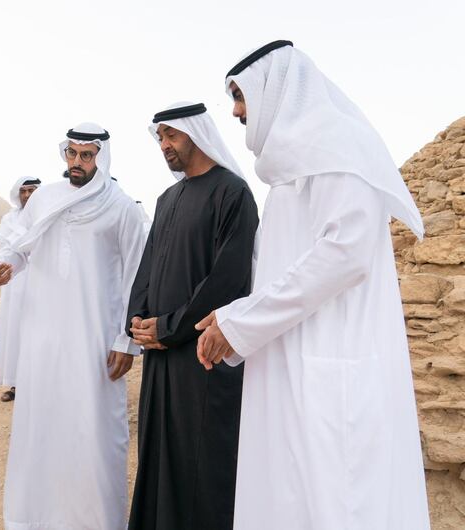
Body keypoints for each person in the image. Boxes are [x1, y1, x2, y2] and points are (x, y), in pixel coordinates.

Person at [195, 40, 431, 529]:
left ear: (276, 88)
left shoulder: (339, 148)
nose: (237, 112)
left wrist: (242, 322)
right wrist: (233, 316)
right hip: (289, 365)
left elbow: (343, 256)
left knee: (338, 504)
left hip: (332, 368)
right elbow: (280, 269)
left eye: (241, 96)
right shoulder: (288, 171)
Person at [0, 122, 147, 530]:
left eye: (85, 155)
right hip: (44, 336)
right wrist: (0, 269)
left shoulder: (121, 206)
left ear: (100, 157)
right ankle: (35, 518)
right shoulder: (45, 199)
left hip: (94, 339)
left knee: (94, 431)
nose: (76, 162)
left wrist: (126, 341)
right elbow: (20, 247)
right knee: (42, 424)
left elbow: (135, 275)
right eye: (71, 153)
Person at [126, 102, 258, 529]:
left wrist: (169, 328)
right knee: (158, 456)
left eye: (172, 136)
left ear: (195, 135)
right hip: (161, 354)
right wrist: (139, 321)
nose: (164, 145)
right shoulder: (167, 199)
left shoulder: (232, 193)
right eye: (160, 138)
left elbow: (227, 279)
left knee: (201, 461)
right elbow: (148, 267)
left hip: (202, 354)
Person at [0, 177, 40, 402]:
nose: (26, 195)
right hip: (15, 283)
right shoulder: (8, 219)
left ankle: (41, 382)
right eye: (23, 191)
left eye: (31, 190)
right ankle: (16, 385)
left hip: (41, 283)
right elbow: (7, 249)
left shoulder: (47, 215)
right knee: (15, 332)